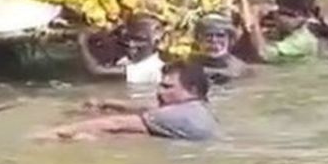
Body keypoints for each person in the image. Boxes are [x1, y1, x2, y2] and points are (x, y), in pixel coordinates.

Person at [35, 61, 219, 142]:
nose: (159, 92)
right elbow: (148, 109)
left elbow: (115, 123)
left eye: (167, 87)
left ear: (192, 90)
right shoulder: (198, 110)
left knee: (92, 136)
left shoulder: (176, 116)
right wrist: (107, 103)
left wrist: (54, 133)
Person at [241, 0, 321, 64]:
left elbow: (264, 54)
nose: (280, 18)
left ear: (304, 18)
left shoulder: (304, 41)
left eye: (287, 15)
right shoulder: (284, 31)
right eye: (279, 13)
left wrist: (254, 21)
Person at [78, 14, 165, 86]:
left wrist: (83, 44)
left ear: (156, 43)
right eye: (129, 38)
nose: (131, 44)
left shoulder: (149, 68)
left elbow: (97, 71)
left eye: (139, 39)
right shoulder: (134, 61)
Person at [192, 13, 247, 85]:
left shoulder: (241, 69)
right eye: (208, 35)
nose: (214, 40)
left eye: (220, 35)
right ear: (198, 40)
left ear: (230, 40)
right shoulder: (186, 67)